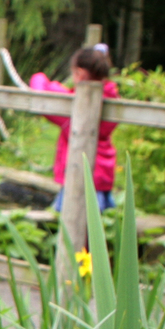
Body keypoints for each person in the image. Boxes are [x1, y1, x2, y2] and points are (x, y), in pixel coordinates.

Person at [30, 44, 119, 214]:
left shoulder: (78, 107)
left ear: (79, 73)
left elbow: (41, 94)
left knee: (71, 224)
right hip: (102, 176)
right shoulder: (109, 97)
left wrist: (39, 76)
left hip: (79, 177)